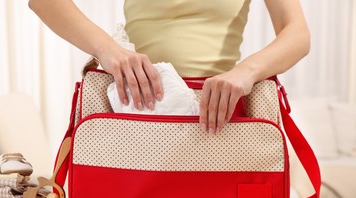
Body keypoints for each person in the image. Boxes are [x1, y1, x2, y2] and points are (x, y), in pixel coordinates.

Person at [29, 0, 310, 135]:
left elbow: (297, 34)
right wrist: (108, 50)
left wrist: (247, 71)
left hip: (217, 113)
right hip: (139, 110)